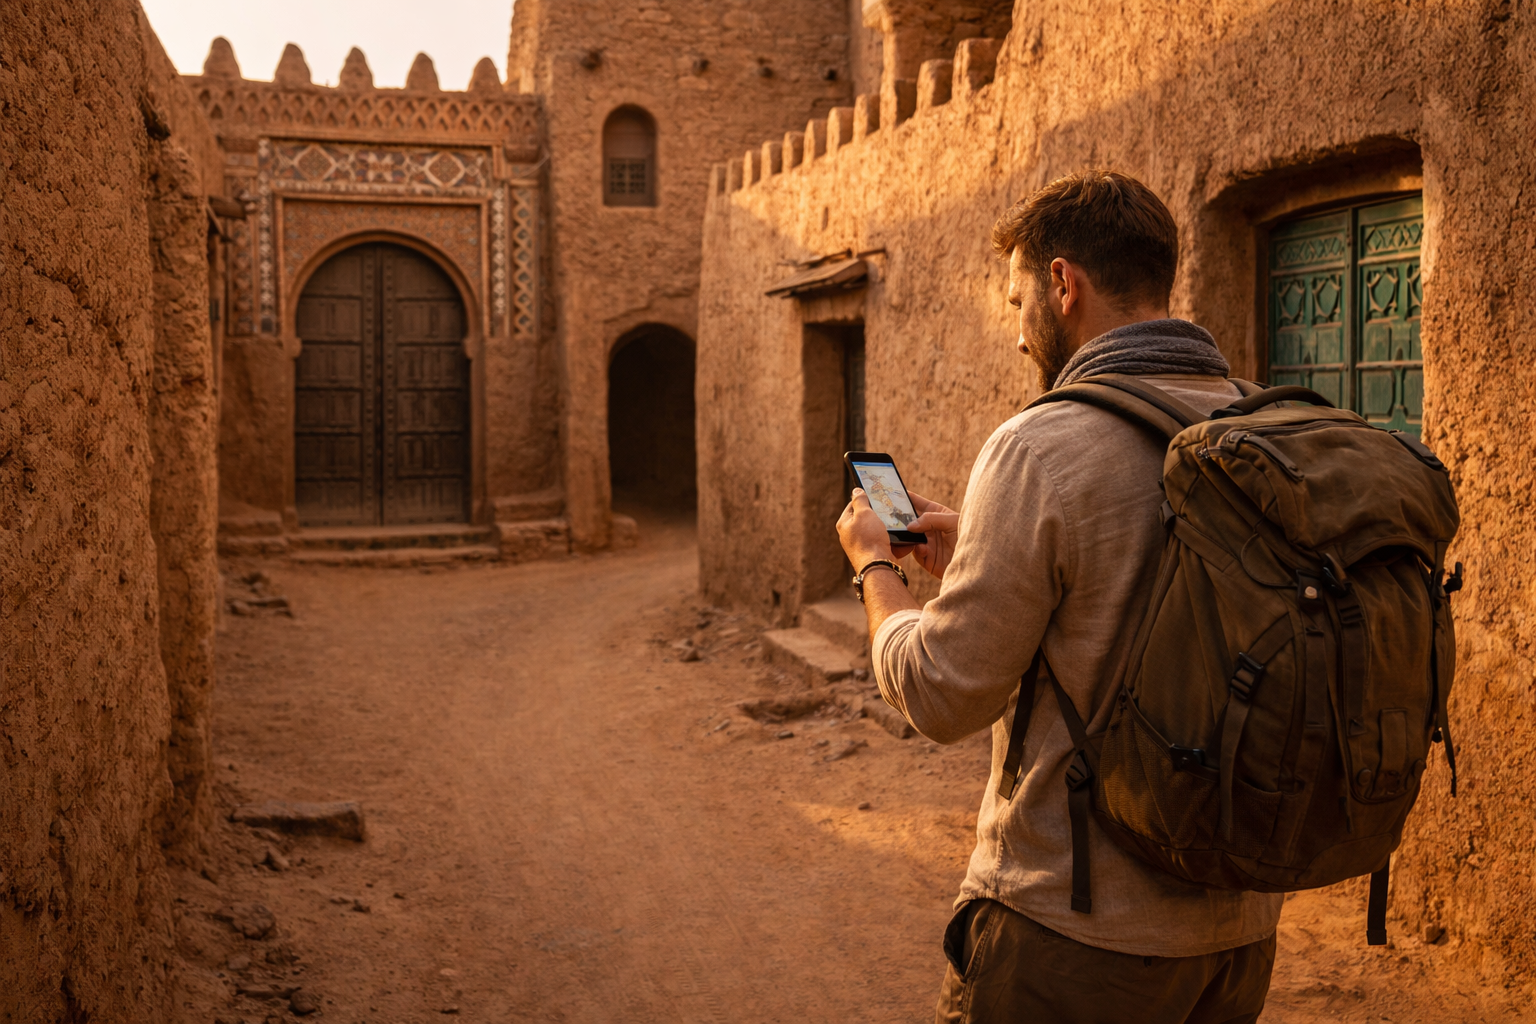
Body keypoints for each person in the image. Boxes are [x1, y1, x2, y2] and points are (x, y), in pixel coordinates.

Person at [836, 170, 1282, 1023]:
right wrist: (983, 547)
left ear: (1062, 283)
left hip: (1076, 942)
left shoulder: (1041, 445)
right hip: (1237, 939)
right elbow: (1158, 580)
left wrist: (873, 568)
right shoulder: (1253, 423)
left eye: (1015, 302)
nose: (1015, 335)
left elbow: (940, 694)